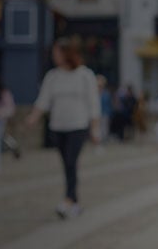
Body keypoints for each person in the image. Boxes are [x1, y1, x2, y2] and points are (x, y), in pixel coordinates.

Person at [25, 37, 101, 219]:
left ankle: (68, 199)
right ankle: (74, 202)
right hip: (58, 126)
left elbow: (93, 103)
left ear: (67, 54)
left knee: (70, 161)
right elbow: (43, 101)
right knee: (66, 164)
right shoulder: (53, 76)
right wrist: (33, 117)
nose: (54, 56)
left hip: (78, 125)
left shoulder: (85, 75)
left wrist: (95, 129)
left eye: (57, 53)